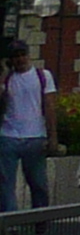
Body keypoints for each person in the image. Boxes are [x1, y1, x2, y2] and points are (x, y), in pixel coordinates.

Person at [0, 39, 53, 212]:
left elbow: (49, 106)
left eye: (22, 55)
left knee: (38, 183)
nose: (20, 59)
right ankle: (10, 222)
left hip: (35, 137)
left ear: (28, 55)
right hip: (8, 136)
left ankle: (40, 217)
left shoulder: (42, 76)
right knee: (5, 184)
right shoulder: (7, 79)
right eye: (15, 56)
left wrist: (53, 137)